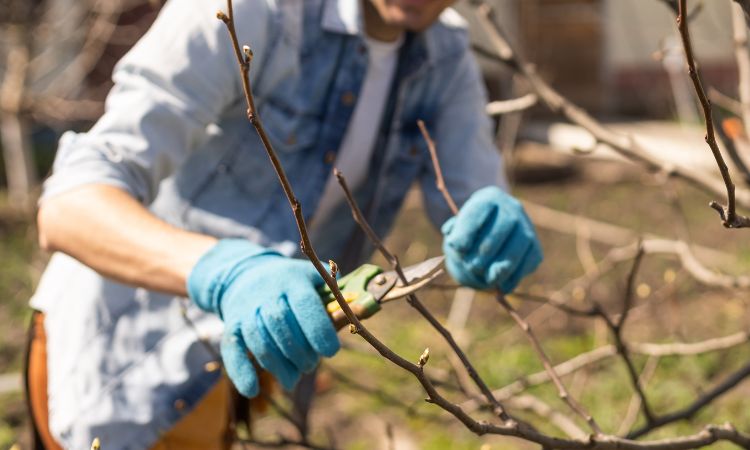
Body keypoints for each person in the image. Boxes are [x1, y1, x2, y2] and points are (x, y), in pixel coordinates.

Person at [26, 0, 543, 448]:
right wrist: (227, 270)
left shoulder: (442, 54)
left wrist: (489, 230)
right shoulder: (252, 12)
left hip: (255, 367)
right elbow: (71, 203)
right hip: (125, 360)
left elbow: (471, 199)